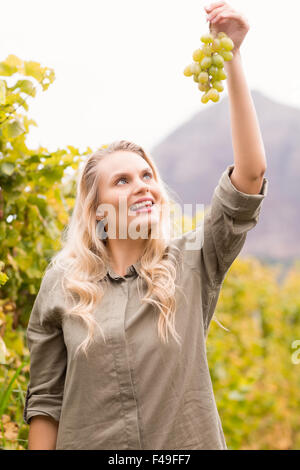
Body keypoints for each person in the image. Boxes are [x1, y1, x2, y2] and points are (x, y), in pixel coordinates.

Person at [24, 2, 268, 450]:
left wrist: (232, 56)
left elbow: (249, 177)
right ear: (97, 210)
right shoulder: (62, 284)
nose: (141, 186)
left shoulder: (192, 261)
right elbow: (45, 401)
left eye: (147, 176)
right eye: (122, 180)